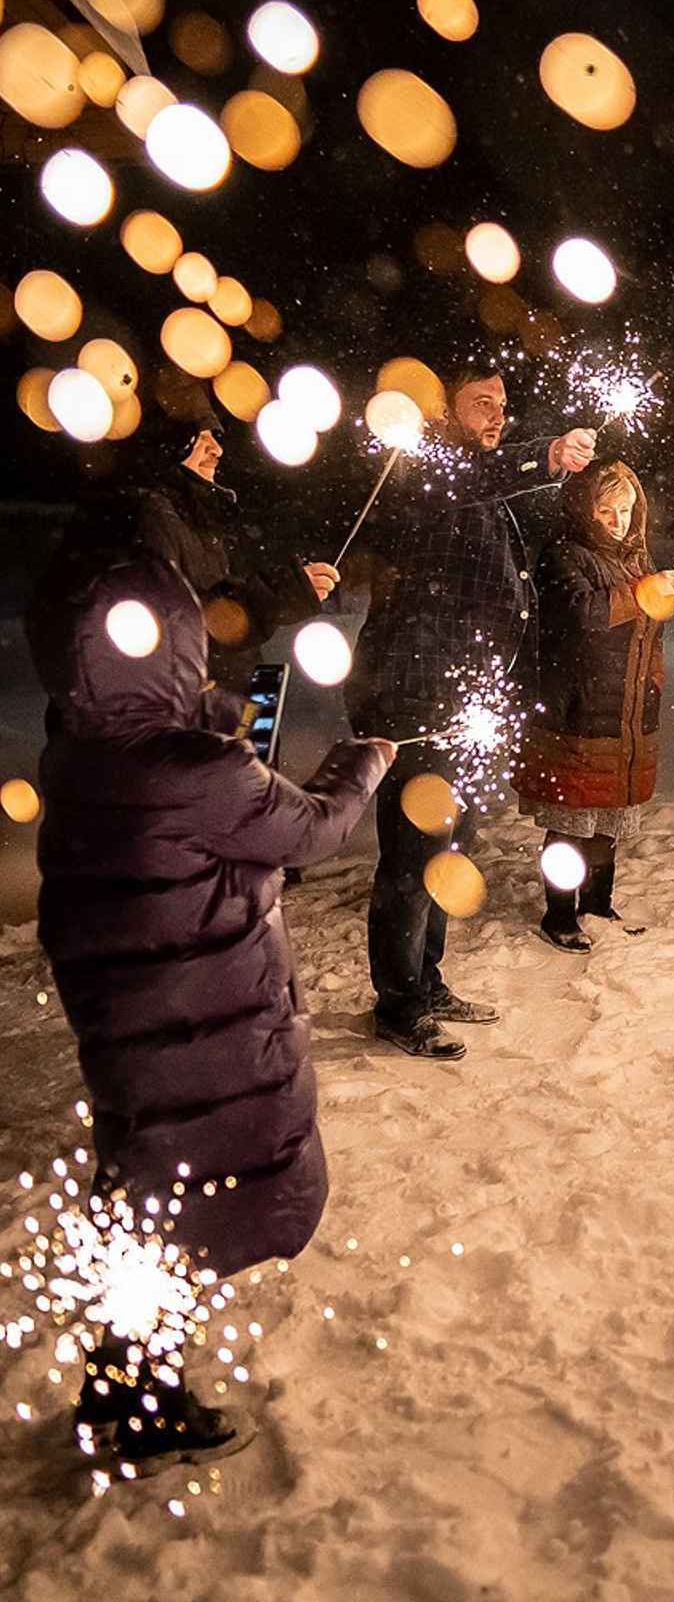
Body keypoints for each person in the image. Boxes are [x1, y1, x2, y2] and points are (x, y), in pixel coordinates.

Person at [27, 546, 390, 1465]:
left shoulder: (78, 749)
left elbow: (185, 792)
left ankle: (114, 1385)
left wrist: (213, 728)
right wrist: (363, 764)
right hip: (203, 1035)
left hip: (129, 1023)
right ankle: (148, 1417)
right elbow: (309, 830)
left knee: (142, 1199)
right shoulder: (190, 771)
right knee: (180, 1217)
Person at [346, 364, 598, 1059]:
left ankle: (425, 983)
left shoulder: (483, 492)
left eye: (503, 404)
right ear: (440, 411)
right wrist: (543, 455)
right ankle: (398, 1005)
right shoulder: (420, 472)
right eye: (480, 402)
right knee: (411, 860)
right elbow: (461, 480)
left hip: (464, 708)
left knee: (447, 853)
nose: (496, 414)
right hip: (416, 704)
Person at [513, 461, 674, 951]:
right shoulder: (565, 555)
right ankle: (559, 914)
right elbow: (585, 615)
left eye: (625, 510)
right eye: (605, 511)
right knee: (572, 820)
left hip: (627, 711)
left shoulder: (634, 558)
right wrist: (641, 594)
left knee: (611, 815)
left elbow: (643, 628)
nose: (617, 521)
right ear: (585, 511)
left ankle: (597, 905)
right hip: (578, 710)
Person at [130, 415, 340, 697]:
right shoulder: (148, 515)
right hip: (178, 722)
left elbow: (217, 602)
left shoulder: (201, 517)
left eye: (214, 436)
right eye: (197, 436)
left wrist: (250, 716)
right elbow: (161, 633)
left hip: (221, 716)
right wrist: (272, 598)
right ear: (163, 443)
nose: (216, 449)